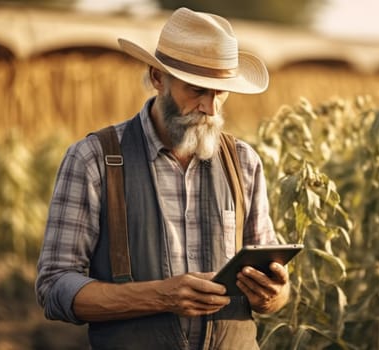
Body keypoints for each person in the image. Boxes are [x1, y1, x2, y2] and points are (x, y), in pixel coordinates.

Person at [35, 7, 290, 350]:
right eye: (197, 90)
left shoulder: (244, 162)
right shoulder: (92, 159)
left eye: (220, 92)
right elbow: (54, 288)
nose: (211, 108)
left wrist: (274, 294)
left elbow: (273, 292)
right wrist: (161, 296)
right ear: (158, 77)